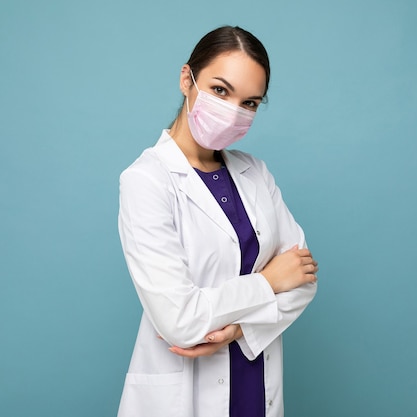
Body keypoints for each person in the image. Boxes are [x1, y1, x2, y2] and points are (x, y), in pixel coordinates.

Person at [117, 25, 318, 417]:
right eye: (220, 90)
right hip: (183, 396)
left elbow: (304, 279)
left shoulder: (255, 173)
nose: (233, 112)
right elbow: (180, 320)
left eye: (250, 103)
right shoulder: (146, 180)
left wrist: (240, 330)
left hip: (256, 383)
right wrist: (269, 282)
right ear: (186, 79)